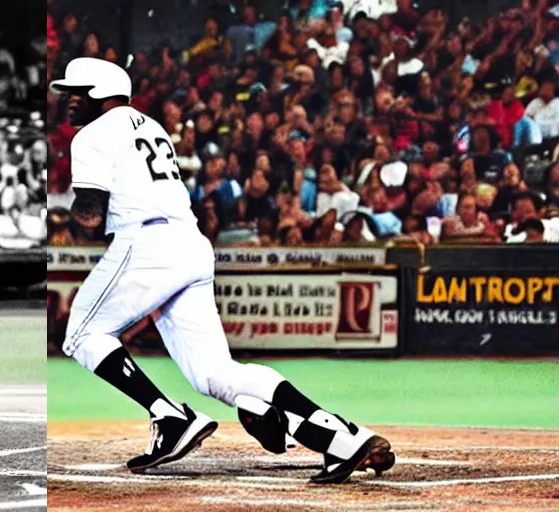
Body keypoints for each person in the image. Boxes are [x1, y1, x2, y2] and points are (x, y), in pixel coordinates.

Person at [50, 57, 395, 484]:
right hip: (190, 244)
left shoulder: (91, 135)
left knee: (81, 333)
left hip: (147, 243)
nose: (67, 99)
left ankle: (168, 416)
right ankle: (341, 436)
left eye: (75, 91)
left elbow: (89, 213)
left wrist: (61, 211)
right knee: (216, 374)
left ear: (100, 92)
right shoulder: (151, 126)